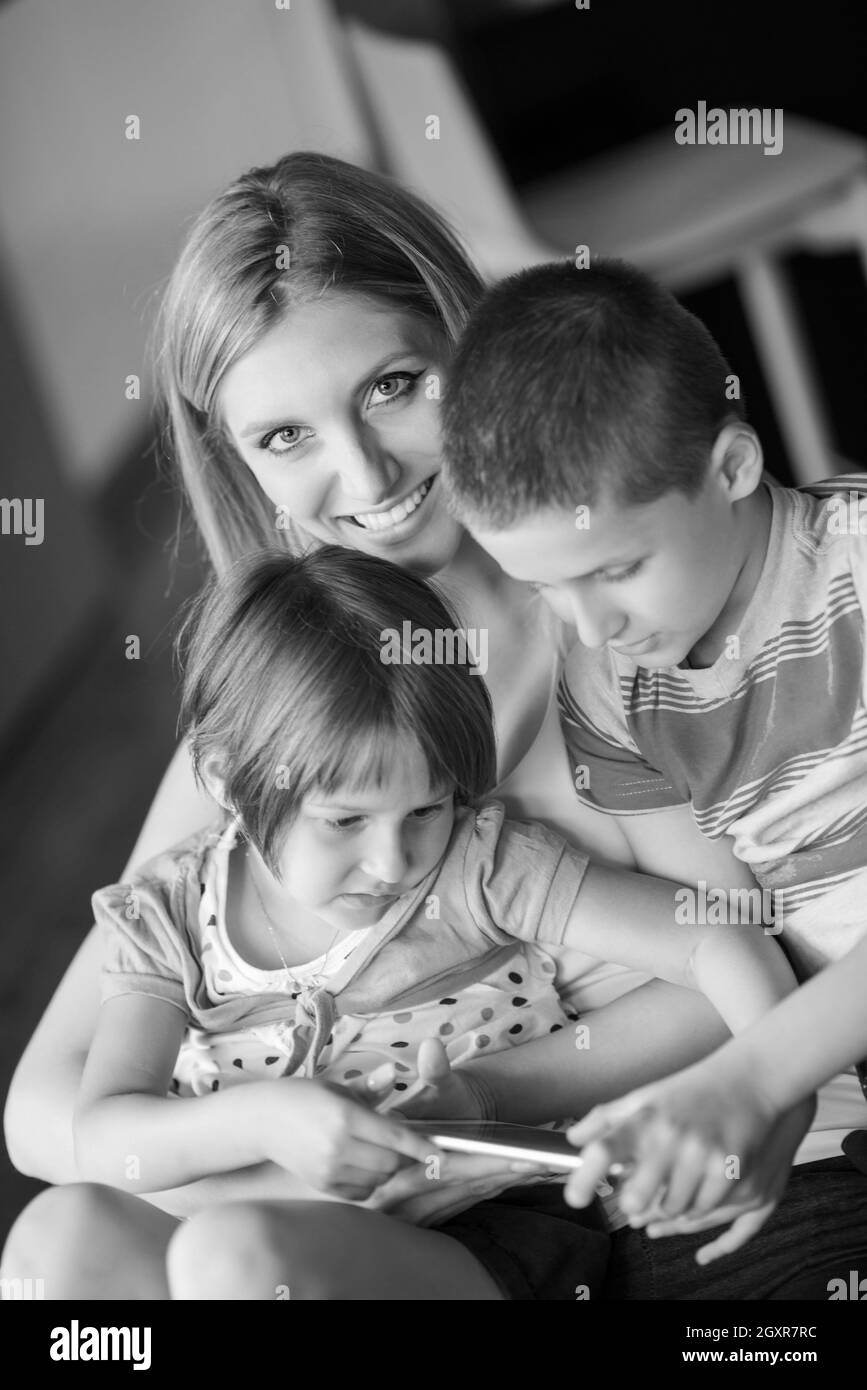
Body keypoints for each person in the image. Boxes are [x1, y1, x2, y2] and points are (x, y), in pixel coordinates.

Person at [4, 153, 747, 1249]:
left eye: (393, 387)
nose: (366, 477)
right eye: (285, 436)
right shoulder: (286, 698)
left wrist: (479, 1103)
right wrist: (272, 1165)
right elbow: (39, 1110)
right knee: (61, 1250)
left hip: (525, 1206)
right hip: (285, 1202)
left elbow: (738, 956)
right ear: (240, 460)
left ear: (468, 334)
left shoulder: (619, 613)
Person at [42, 545, 794, 1299]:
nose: (393, 863)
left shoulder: (478, 866)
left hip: (487, 1237)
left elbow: (714, 941)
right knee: (60, 1237)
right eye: (343, 822)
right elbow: (105, 1137)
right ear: (224, 781)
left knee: (232, 1255)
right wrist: (264, 1120)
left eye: (426, 809)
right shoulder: (167, 911)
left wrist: (773, 1099)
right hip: (246, 1241)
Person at [440, 255, 867, 1289]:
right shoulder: (610, 685)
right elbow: (731, 925)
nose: (595, 627)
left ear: (729, 467)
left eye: (617, 568)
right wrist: (771, 1092)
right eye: (545, 585)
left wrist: (758, 1078)